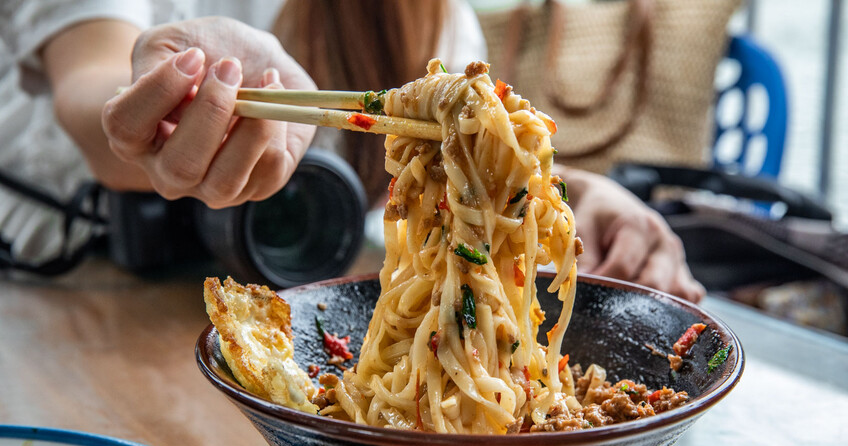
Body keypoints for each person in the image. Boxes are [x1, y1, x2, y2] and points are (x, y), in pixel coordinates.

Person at [0, 0, 704, 302]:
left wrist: (567, 193)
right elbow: (90, 85)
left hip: (302, 333)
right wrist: (153, 100)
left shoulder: (435, 19)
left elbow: (454, 149)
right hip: (74, 295)